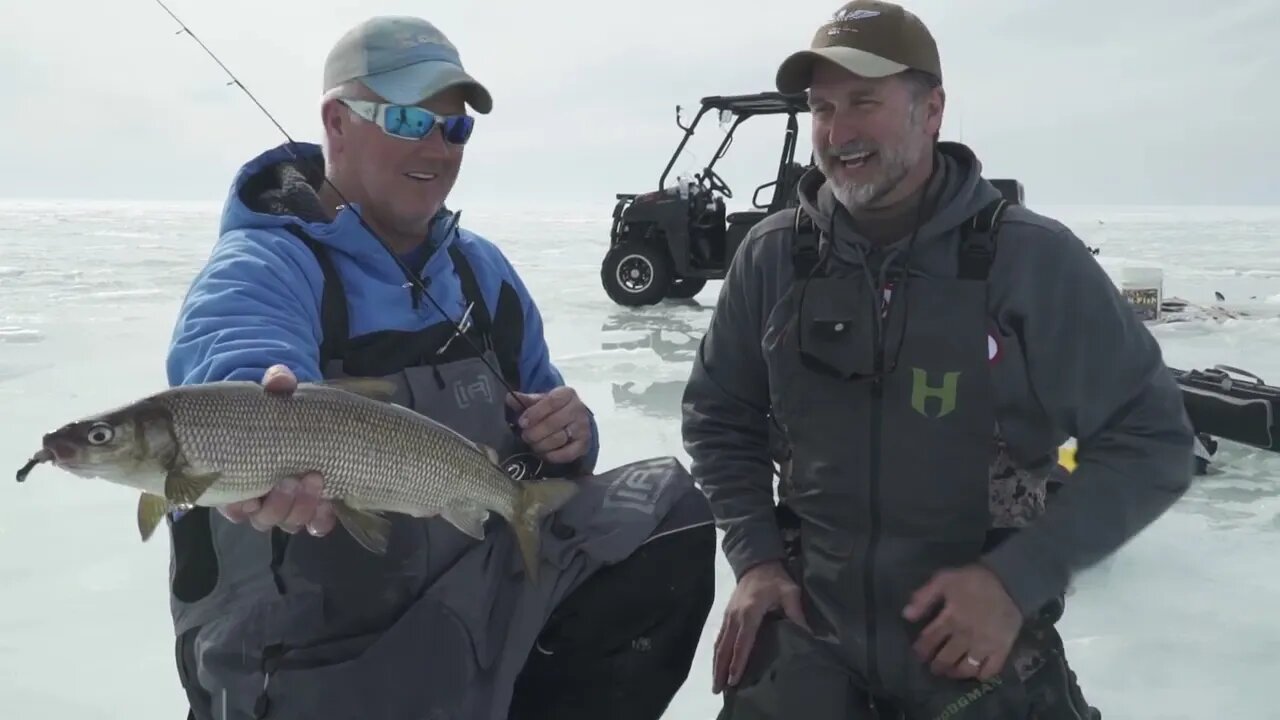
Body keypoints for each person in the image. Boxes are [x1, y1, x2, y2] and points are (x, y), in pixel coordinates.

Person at [163, 15, 715, 720]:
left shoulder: (481, 273)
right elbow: (237, 373)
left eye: (454, 129)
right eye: (406, 119)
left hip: (470, 610)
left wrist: (569, 434)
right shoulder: (261, 270)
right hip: (321, 656)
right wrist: (255, 445)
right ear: (336, 121)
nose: (436, 147)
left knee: (665, 515)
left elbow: (544, 420)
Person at [681, 1, 1195, 718]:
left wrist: (1018, 578)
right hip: (811, 629)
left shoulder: (1030, 262)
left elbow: (1154, 440)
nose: (838, 131)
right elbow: (719, 416)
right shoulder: (773, 258)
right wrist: (757, 560)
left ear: (932, 111)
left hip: (974, 641)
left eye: (865, 101)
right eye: (822, 107)